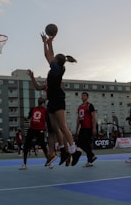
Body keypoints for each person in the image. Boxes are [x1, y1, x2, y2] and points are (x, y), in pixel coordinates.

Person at [36, 32, 82, 166]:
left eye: (54, 58)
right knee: (55, 128)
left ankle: (74, 150)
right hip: (51, 101)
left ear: (56, 60)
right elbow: (50, 55)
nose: (52, 58)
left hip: (58, 99)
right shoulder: (58, 66)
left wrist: (47, 43)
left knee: (62, 126)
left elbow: (47, 55)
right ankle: (64, 151)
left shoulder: (57, 68)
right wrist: (49, 43)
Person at [19, 97, 49, 170]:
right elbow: (29, 117)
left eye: (41, 99)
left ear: (43, 102)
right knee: (26, 145)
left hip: (40, 130)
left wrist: (46, 129)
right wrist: (26, 119)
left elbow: (47, 121)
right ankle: (24, 164)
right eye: (39, 99)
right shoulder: (33, 109)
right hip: (32, 129)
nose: (39, 99)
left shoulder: (45, 110)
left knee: (43, 145)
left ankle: (49, 161)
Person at [75, 92, 98, 167]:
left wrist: (94, 128)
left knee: (86, 144)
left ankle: (90, 160)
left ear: (87, 97)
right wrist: (76, 129)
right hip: (82, 127)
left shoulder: (90, 105)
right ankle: (92, 156)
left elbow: (94, 117)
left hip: (88, 127)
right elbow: (78, 118)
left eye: (84, 96)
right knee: (80, 144)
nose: (83, 97)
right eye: (82, 96)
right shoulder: (79, 107)